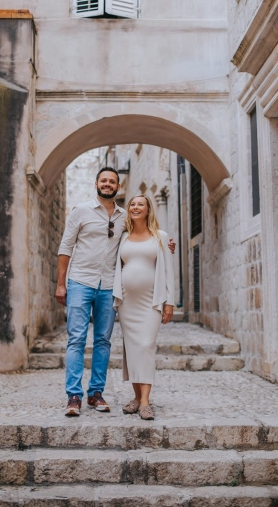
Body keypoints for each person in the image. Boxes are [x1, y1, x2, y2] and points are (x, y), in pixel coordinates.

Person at [56, 168, 175, 417]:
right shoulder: (80, 211)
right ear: (96, 183)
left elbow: (146, 236)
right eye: (104, 181)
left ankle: (96, 393)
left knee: (103, 341)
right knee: (76, 339)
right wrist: (61, 283)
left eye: (112, 181)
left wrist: (167, 243)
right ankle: (74, 396)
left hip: (109, 286)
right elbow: (66, 246)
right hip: (80, 280)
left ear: (118, 186)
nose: (107, 184)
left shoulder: (124, 217)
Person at [113, 195, 175, 420]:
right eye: (132, 204)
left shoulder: (161, 237)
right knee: (132, 349)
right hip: (127, 302)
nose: (135, 207)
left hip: (151, 301)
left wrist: (169, 302)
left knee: (146, 345)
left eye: (141, 204)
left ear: (148, 210)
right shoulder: (123, 237)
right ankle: (137, 398)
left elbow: (168, 270)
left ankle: (146, 402)